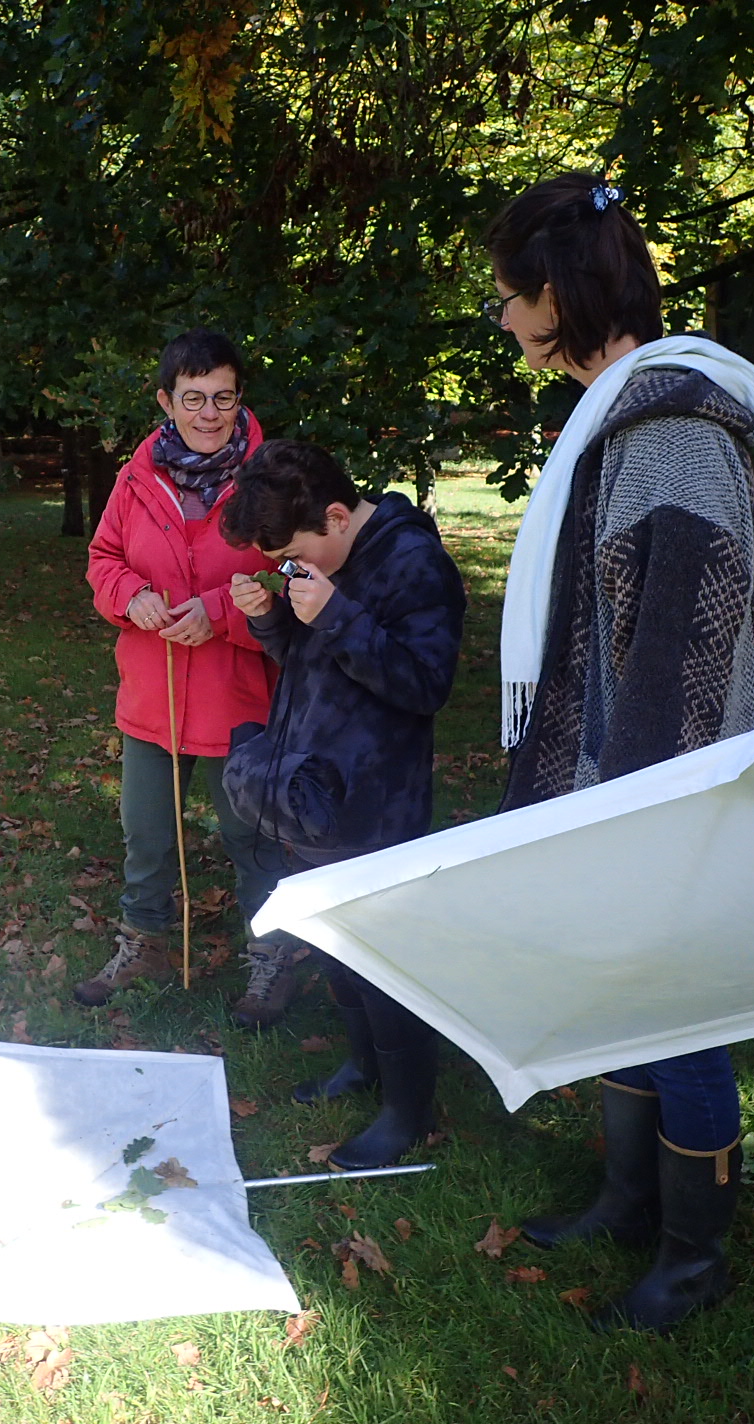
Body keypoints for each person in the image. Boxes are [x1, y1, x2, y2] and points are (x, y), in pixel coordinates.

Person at [484, 173, 754, 1332]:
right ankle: (628, 1200)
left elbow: (687, 625)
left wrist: (638, 809)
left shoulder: (670, 422)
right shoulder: (626, 407)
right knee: (632, 989)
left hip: (667, 784)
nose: (508, 327)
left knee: (684, 1010)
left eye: (511, 300)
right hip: (628, 775)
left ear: (560, 293)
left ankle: (693, 1252)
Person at [221, 440, 465, 1169]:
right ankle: (363, 1067)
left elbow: (426, 684)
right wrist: (272, 621)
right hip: (315, 789)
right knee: (337, 945)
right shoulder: (325, 556)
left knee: (382, 958)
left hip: (376, 801)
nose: (294, 565)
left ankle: (407, 1111)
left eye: (296, 552)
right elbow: (312, 659)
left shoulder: (413, 562)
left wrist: (334, 615)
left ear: (334, 514)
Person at [81, 329, 306, 1027]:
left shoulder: (271, 477)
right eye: (193, 399)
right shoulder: (135, 477)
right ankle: (144, 941)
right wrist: (129, 597)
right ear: (165, 400)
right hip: (153, 693)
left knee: (251, 837)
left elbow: (293, 571)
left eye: (223, 398)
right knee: (148, 833)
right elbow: (102, 560)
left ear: (241, 400)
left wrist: (220, 612)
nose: (209, 414)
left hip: (239, 695)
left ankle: (272, 958)